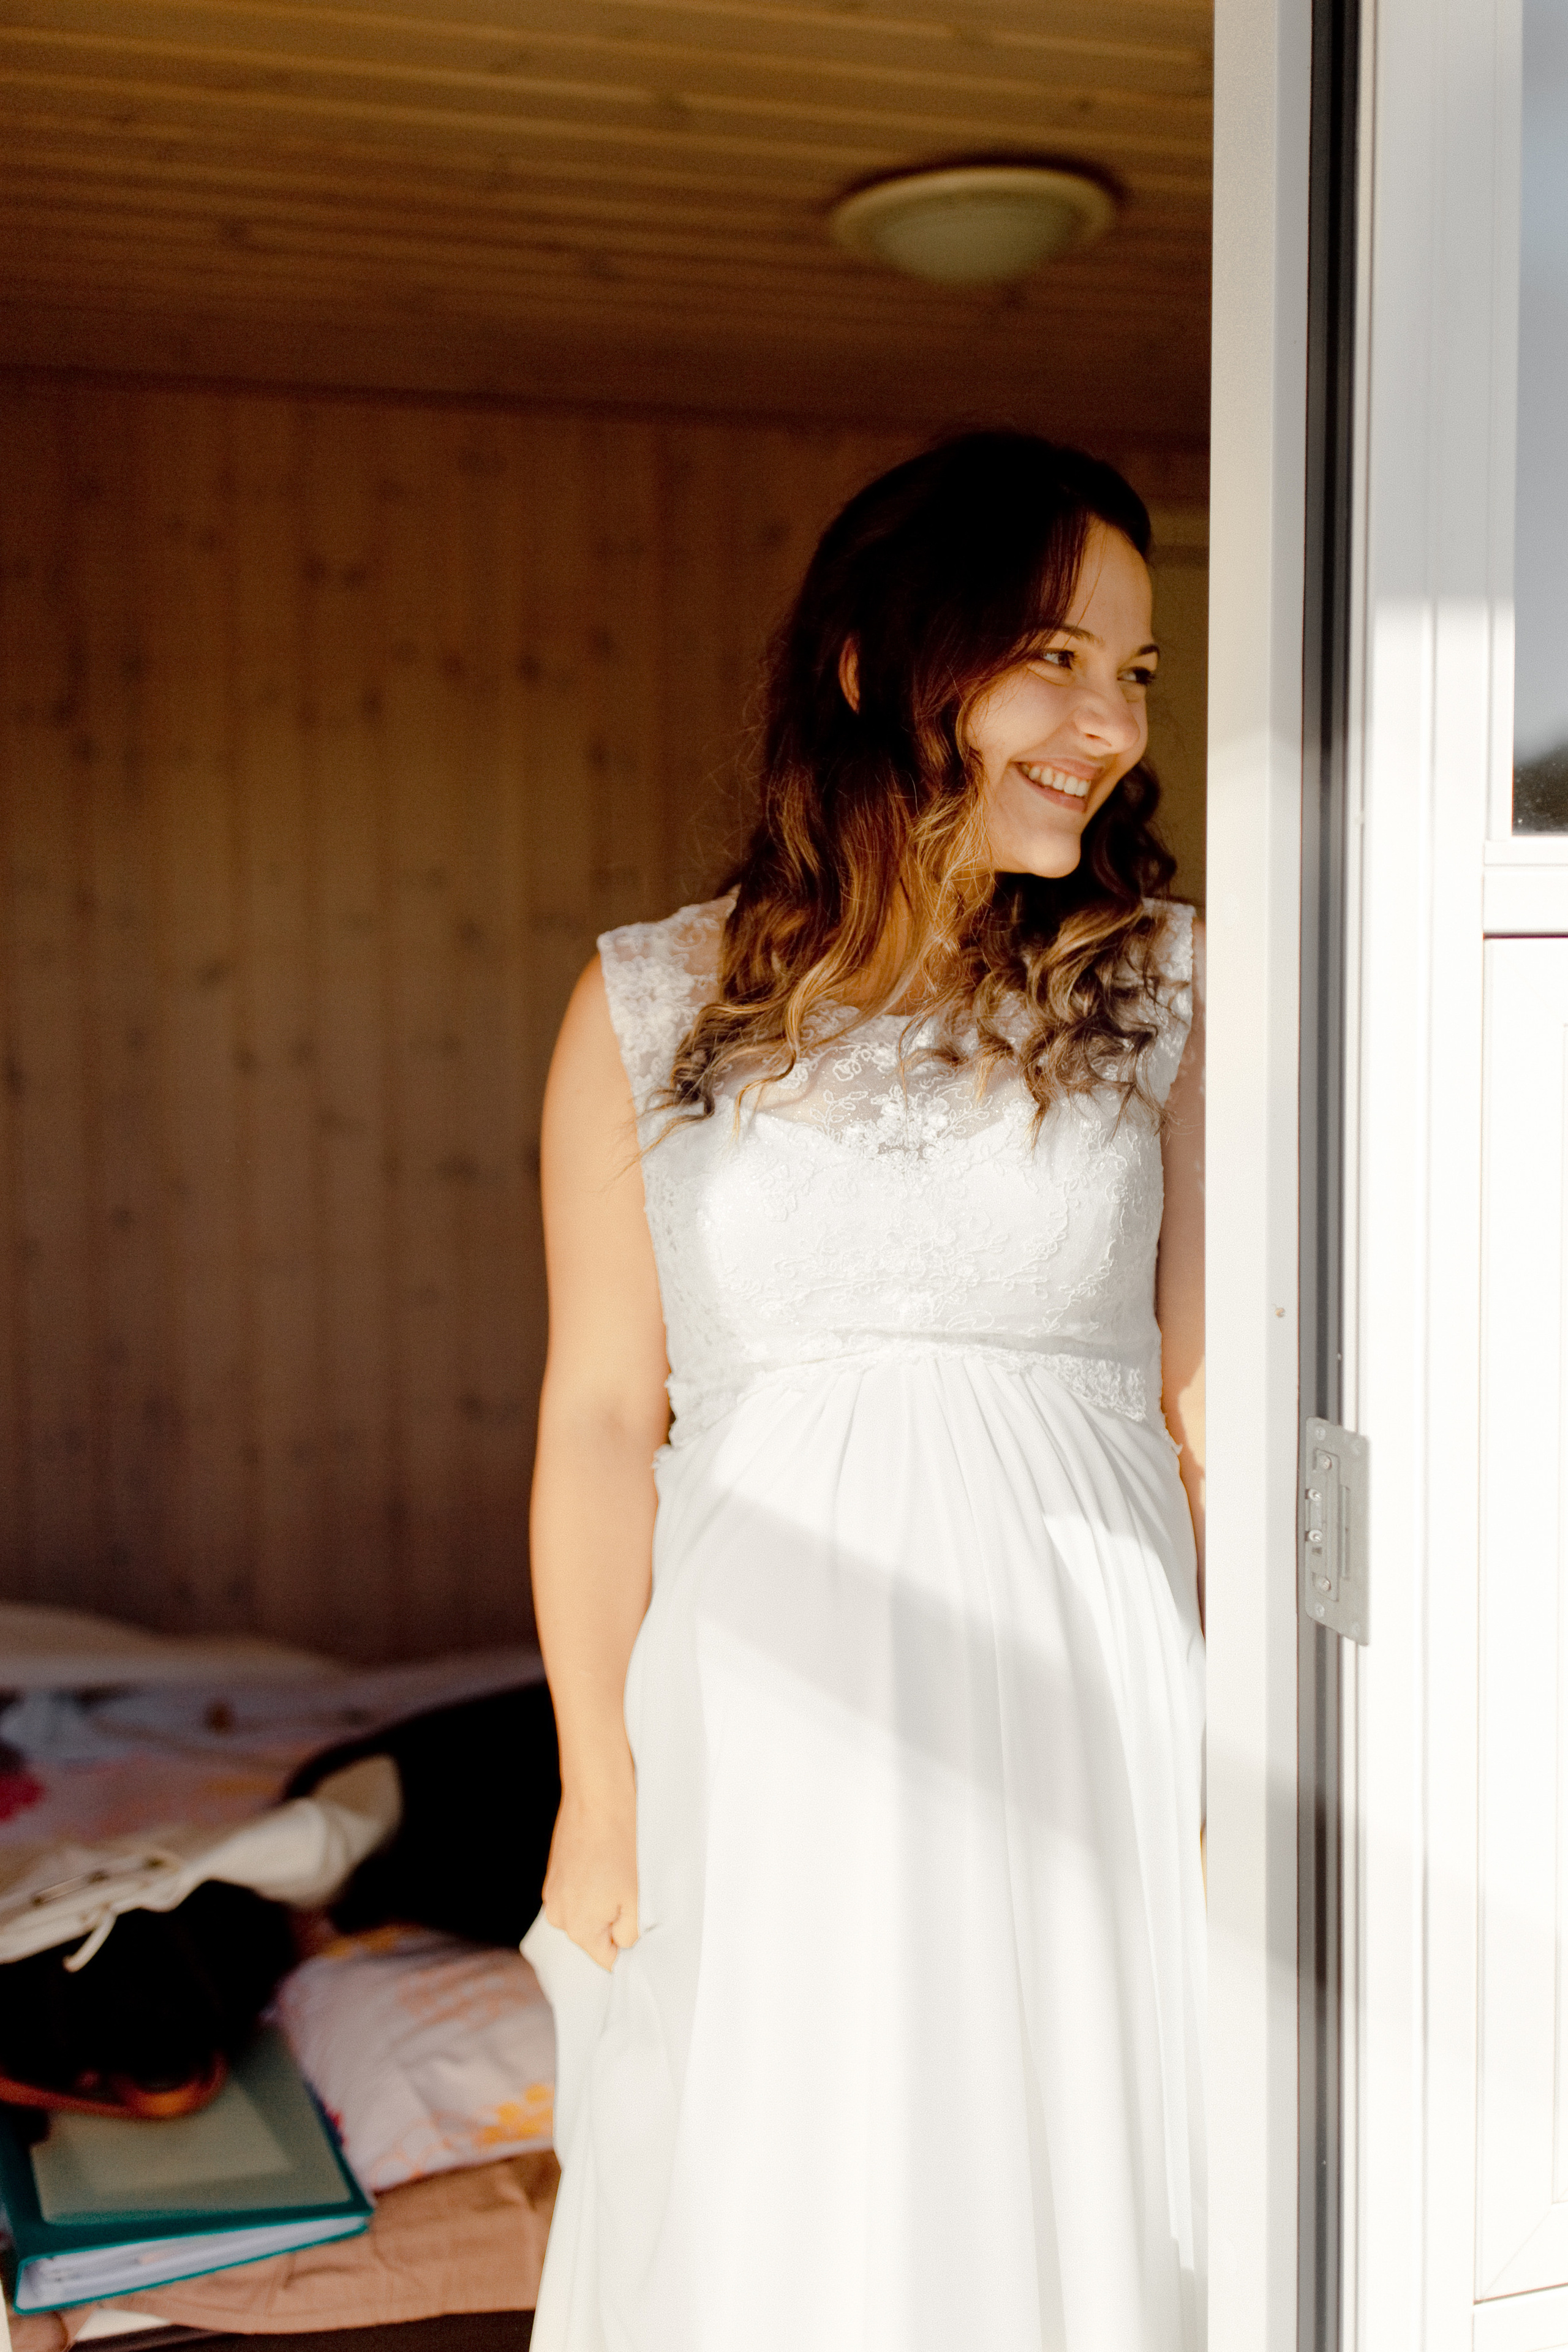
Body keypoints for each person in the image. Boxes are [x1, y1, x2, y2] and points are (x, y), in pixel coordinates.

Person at [521, 431, 1207, 2352]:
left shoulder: (1166, 988)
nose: (1108, 726)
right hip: (763, 1702)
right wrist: (599, 1784)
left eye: (1136, 673)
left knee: (1066, 2200)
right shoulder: (648, 1003)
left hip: (1086, 1690)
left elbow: (1211, 1399)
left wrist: (1258, 1750)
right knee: (786, 2213)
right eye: (1056, 658)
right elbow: (597, 1417)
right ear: (875, 668)